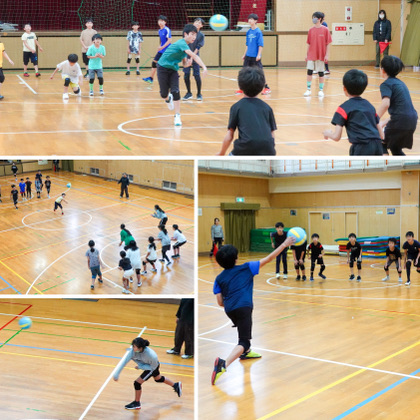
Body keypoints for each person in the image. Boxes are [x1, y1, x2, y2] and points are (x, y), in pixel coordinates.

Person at [211, 236, 295, 385]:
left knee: (242, 329)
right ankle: (223, 364)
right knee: (244, 341)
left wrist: (231, 303)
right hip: (244, 307)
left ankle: (246, 353)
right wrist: (284, 244)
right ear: (236, 259)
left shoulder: (218, 278)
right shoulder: (247, 267)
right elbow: (269, 258)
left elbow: (220, 302)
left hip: (230, 310)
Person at [156, 24, 208, 127]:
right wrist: (204, 67)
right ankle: (167, 99)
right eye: (192, 34)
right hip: (162, 68)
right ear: (185, 34)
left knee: (176, 91)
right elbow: (194, 56)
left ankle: (177, 115)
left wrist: (187, 64)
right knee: (163, 94)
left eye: (195, 35)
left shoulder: (186, 47)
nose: (194, 37)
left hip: (173, 70)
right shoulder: (181, 43)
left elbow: (184, 63)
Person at [218, 66, 276, 156]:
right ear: (262, 87)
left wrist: (221, 153)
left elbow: (229, 136)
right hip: (268, 150)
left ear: (240, 86)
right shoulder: (267, 108)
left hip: (244, 149)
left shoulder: (236, 107)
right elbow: (272, 134)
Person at [323, 69, 383, 155]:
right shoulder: (369, 106)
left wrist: (327, 133)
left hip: (361, 148)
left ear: (344, 88)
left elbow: (336, 137)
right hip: (378, 146)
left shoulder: (343, 108)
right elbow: (381, 134)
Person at [113, 337, 182, 410]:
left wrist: (140, 367)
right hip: (148, 365)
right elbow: (124, 361)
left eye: (135, 347)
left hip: (151, 367)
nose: (133, 348)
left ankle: (137, 403)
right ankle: (176, 385)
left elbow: (152, 368)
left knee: (137, 383)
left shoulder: (151, 355)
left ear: (140, 348)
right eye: (133, 346)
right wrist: (117, 373)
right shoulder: (132, 352)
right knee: (158, 379)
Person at [377, 56, 418, 156]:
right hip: (412, 120)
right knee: (395, 147)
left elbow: (385, 104)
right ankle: (406, 165)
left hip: (400, 120)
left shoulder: (386, 84)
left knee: (380, 142)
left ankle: (385, 165)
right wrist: (383, 123)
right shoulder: (401, 83)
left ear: (383, 70)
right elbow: (402, 111)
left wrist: (374, 119)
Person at [236, 14, 271, 95]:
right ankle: (242, 88)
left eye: (251, 19)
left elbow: (260, 45)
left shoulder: (258, 32)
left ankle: (266, 88)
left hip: (255, 56)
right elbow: (247, 45)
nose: (249, 20)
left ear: (255, 21)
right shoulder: (248, 32)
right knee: (244, 72)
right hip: (248, 56)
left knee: (260, 72)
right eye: (249, 19)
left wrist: (259, 55)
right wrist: (244, 54)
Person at [304, 12, 331, 98]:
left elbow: (328, 43)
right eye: (313, 17)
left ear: (319, 19)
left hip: (321, 54)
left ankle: (321, 90)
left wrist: (327, 55)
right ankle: (308, 89)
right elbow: (308, 43)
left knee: (321, 72)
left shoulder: (325, 30)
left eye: (315, 17)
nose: (313, 19)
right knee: (309, 71)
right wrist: (307, 54)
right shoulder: (311, 30)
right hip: (311, 54)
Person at [142, 16, 171, 84]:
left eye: (162, 21)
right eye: (159, 21)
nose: (160, 22)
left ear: (165, 22)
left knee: (166, 64)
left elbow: (169, 40)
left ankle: (173, 76)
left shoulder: (167, 29)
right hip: (161, 50)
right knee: (154, 63)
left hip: (167, 50)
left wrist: (162, 47)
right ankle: (151, 78)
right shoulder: (159, 31)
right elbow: (161, 40)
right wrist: (160, 46)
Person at [182, 18, 205, 101]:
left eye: (199, 23)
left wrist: (192, 57)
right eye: (196, 22)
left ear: (202, 26)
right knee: (186, 75)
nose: (197, 23)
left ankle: (199, 94)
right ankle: (189, 93)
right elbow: (184, 45)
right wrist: (186, 57)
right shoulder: (187, 32)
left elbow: (197, 48)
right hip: (186, 55)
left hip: (195, 56)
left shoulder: (201, 35)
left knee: (196, 75)